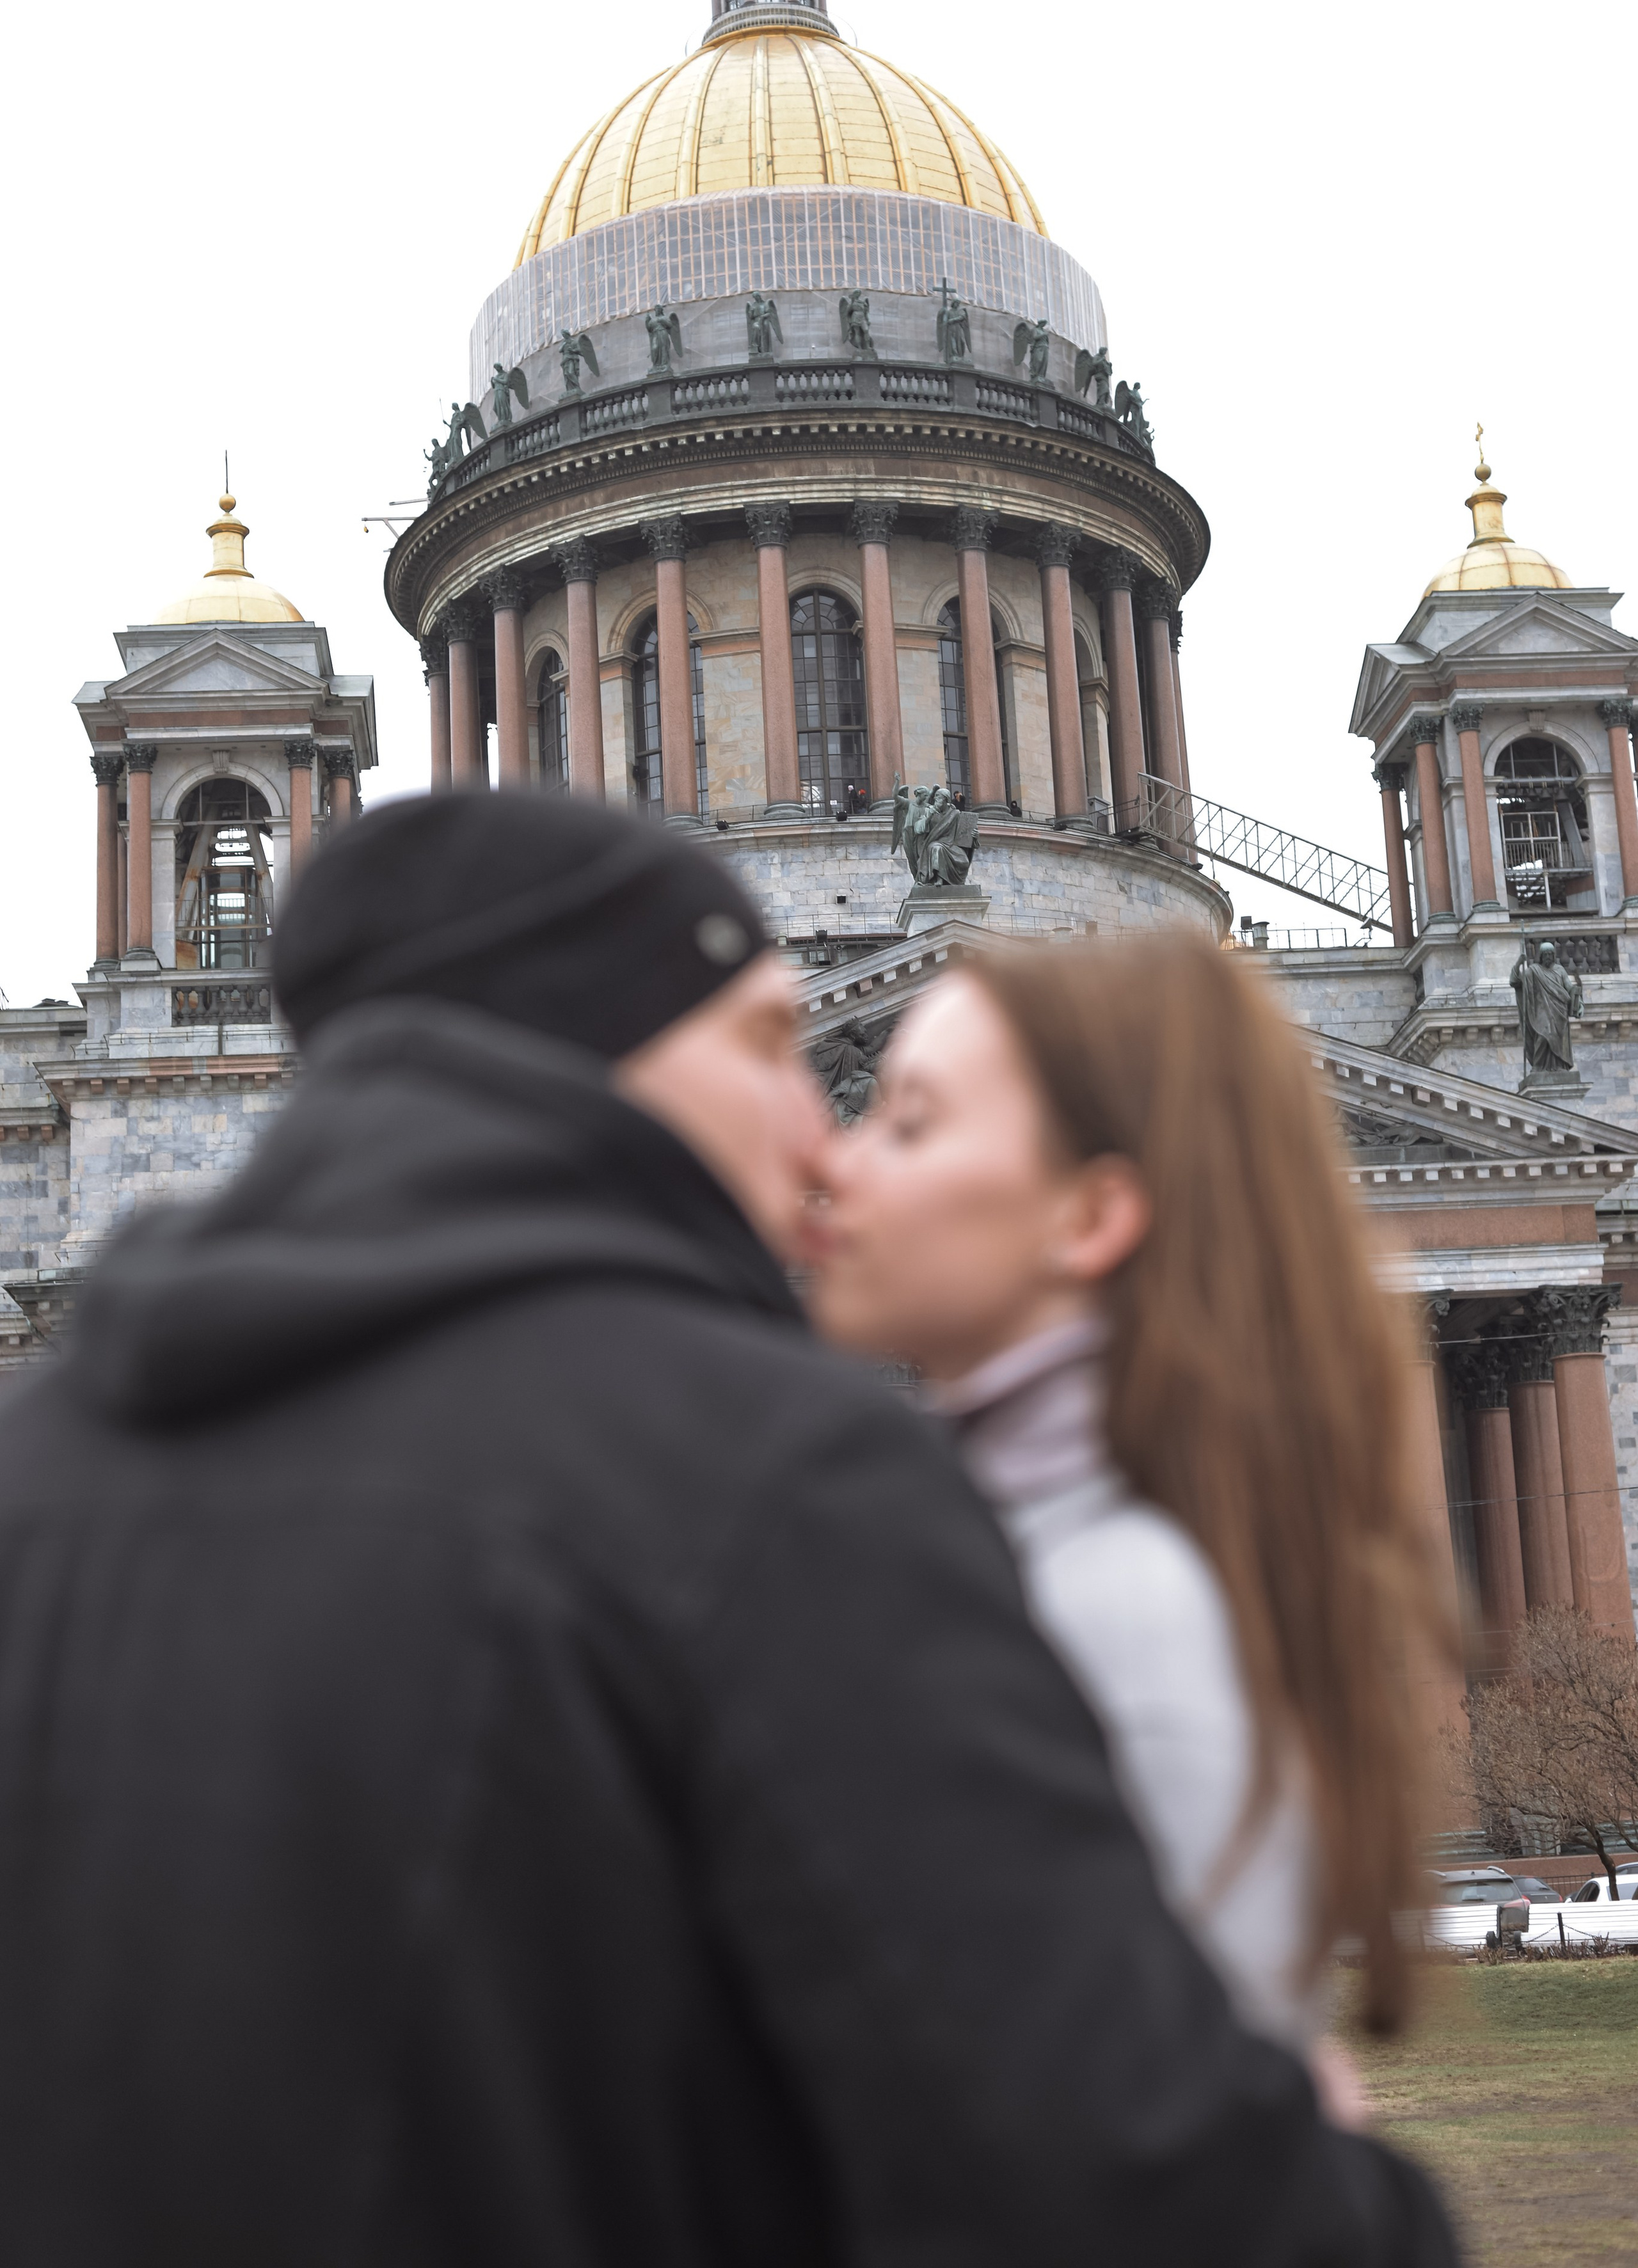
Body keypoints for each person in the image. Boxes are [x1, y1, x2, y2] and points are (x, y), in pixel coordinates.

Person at [0, 800, 1454, 2266]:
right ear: (610, 1040)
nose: (823, 1140)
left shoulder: (39, 1472)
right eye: (775, 1042)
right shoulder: (765, 1474)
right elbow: (1111, 2173)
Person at [809, 932, 1441, 2070]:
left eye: (907, 1123)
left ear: (1091, 1217)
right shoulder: (1034, 1562)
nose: (836, 1161)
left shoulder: (1105, 1618)